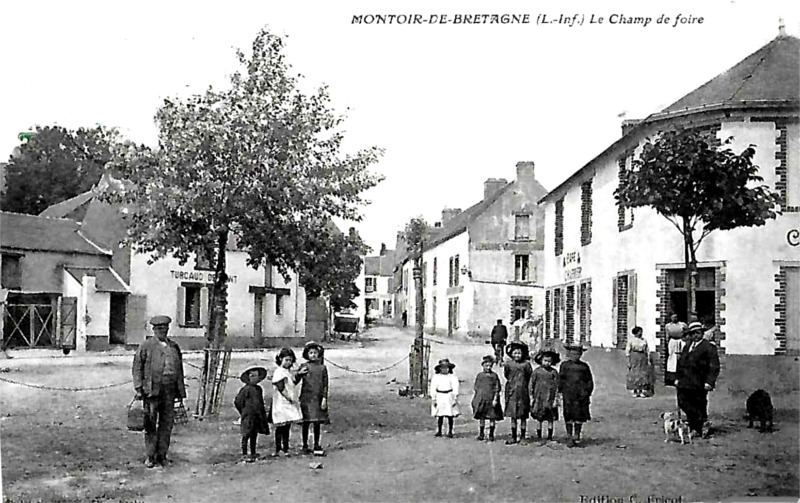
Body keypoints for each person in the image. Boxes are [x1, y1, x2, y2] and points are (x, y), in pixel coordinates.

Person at [132, 315, 187, 468]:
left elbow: (179, 370)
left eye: (165, 328)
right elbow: (137, 367)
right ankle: (150, 456)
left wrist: (180, 391)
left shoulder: (174, 347)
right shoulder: (146, 346)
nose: (162, 330)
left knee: (167, 424)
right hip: (151, 391)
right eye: (159, 328)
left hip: (169, 391)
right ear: (154, 329)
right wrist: (138, 387)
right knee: (150, 424)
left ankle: (162, 455)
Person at [675, 321, 720, 439]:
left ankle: (699, 428)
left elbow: (714, 366)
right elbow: (681, 363)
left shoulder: (709, 347)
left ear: (702, 333)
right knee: (683, 402)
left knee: (699, 404)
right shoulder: (687, 345)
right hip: (685, 381)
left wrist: (710, 382)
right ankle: (699, 424)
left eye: (697, 333)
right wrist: (677, 378)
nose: (695, 335)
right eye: (692, 333)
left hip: (699, 382)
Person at [271, 347, 305, 457]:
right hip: (282, 402)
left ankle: (285, 448)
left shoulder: (287, 372)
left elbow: (293, 382)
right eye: (286, 360)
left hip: (288, 401)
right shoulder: (279, 372)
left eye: (290, 360)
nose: (288, 362)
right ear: (280, 359)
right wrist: (288, 397)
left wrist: (299, 375)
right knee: (280, 426)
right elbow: (280, 387)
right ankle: (278, 448)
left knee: (287, 425)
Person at [559, 343, 594, 447]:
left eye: (577, 354)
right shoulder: (564, 365)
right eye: (573, 353)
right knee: (568, 414)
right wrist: (559, 390)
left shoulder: (584, 366)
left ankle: (577, 435)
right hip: (568, 394)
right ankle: (569, 436)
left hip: (581, 395)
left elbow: (589, 380)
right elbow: (561, 378)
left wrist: (587, 392)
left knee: (579, 415)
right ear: (569, 354)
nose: (575, 356)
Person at [234, 362, 270, 463]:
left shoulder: (259, 389)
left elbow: (260, 402)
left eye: (256, 376)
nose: (254, 378)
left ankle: (253, 452)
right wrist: (243, 411)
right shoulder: (245, 390)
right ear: (248, 377)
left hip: (257, 416)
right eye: (252, 376)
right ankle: (244, 453)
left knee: (254, 434)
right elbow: (238, 401)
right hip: (248, 416)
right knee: (246, 434)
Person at [298, 342, 329, 456]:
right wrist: (299, 374)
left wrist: (324, 398)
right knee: (305, 422)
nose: (313, 355)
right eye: (310, 353)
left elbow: (325, 384)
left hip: (318, 398)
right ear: (307, 354)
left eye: (315, 353)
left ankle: (316, 444)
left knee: (317, 423)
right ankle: (305, 445)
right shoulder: (304, 366)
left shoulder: (322, 368)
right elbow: (295, 381)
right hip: (306, 398)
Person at [503, 341, 532, 444]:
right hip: (512, 392)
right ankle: (514, 436)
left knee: (523, 415)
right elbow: (506, 375)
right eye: (515, 353)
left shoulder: (526, 365)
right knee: (513, 415)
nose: (517, 355)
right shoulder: (508, 364)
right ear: (511, 354)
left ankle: (523, 436)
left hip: (523, 392)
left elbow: (529, 376)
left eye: (519, 353)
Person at [530, 349, 560, 442]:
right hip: (539, 398)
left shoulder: (553, 372)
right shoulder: (536, 371)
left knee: (550, 418)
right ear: (541, 360)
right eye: (545, 361)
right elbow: (531, 384)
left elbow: (557, 386)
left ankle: (550, 436)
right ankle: (539, 436)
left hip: (550, 398)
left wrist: (556, 399)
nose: (547, 363)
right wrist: (531, 397)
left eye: (549, 361)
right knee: (539, 418)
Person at [471, 355, 503, 442]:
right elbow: (476, 387)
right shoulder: (480, 376)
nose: (488, 367)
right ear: (483, 365)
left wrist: (495, 399)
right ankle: (481, 434)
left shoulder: (494, 376)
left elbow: (497, 388)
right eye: (486, 365)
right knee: (482, 417)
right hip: (482, 399)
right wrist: (477, 398)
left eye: (490, 366)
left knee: (492, 417)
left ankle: (491, 434)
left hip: (491, 399)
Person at [430, 358, 460, 438]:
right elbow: (433, 388)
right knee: (440, 415)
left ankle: (450, 431)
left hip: (449, 395)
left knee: (450, 415)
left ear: (449, 368)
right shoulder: (436, 377)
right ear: (439, 368)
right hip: (440, 396)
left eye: (446, 367)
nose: (444, 369)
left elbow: (455, 387)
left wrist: (454, 398)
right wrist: (433, 398)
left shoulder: (452, 377)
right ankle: (439, 430)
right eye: (442, 367)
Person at [625, 326, 653, 398]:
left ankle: (641, 390)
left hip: (642, 357)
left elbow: (647, 350)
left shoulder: (644, 340)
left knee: (642, 374)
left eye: (641, 332)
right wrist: (628, 361)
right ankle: (635, 390)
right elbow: (628, 350)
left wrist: (648, 359)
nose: (640, 333)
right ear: (635, 333)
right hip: (634, 357)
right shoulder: (632, 340)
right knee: (635, 373)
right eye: (639, 332)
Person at [665, 314, 687, 386]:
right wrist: (667, 342)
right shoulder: (668, 326)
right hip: (672, 342)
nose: (674, 319)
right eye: (673, 317)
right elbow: (667, 335)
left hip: (680, 341)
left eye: (675, 317)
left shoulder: (682, 325)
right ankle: (672, 377)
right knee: (672, 358)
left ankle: (682, 376)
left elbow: (687, 332)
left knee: (681, 357)